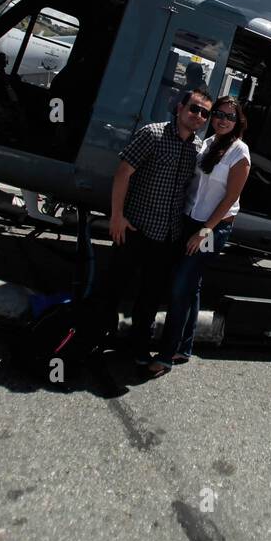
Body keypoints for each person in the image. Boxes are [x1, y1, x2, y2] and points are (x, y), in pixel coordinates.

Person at [106, 86, 211, 362]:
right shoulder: (152, 134)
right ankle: (90, 338)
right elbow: (123, 173)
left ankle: (138, 349)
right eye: (194, 108)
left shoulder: (198, 150)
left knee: (150, 298)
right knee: (112, 289)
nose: (198, 116)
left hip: (167, 237)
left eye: (204, 113)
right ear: (180, 108)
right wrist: (117, 216)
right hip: (135, 229)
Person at [149, 96, 250, 374]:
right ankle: (184, 346)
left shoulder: (239, 153)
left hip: (213, 228)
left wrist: (205, 231)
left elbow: (231, 197)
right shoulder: (206, 144)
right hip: (190, 220)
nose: (222, 119)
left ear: (238, 121)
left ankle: (166, 355)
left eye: (229, 116)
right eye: (218, 113)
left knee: (180, 287)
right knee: (190, 285)